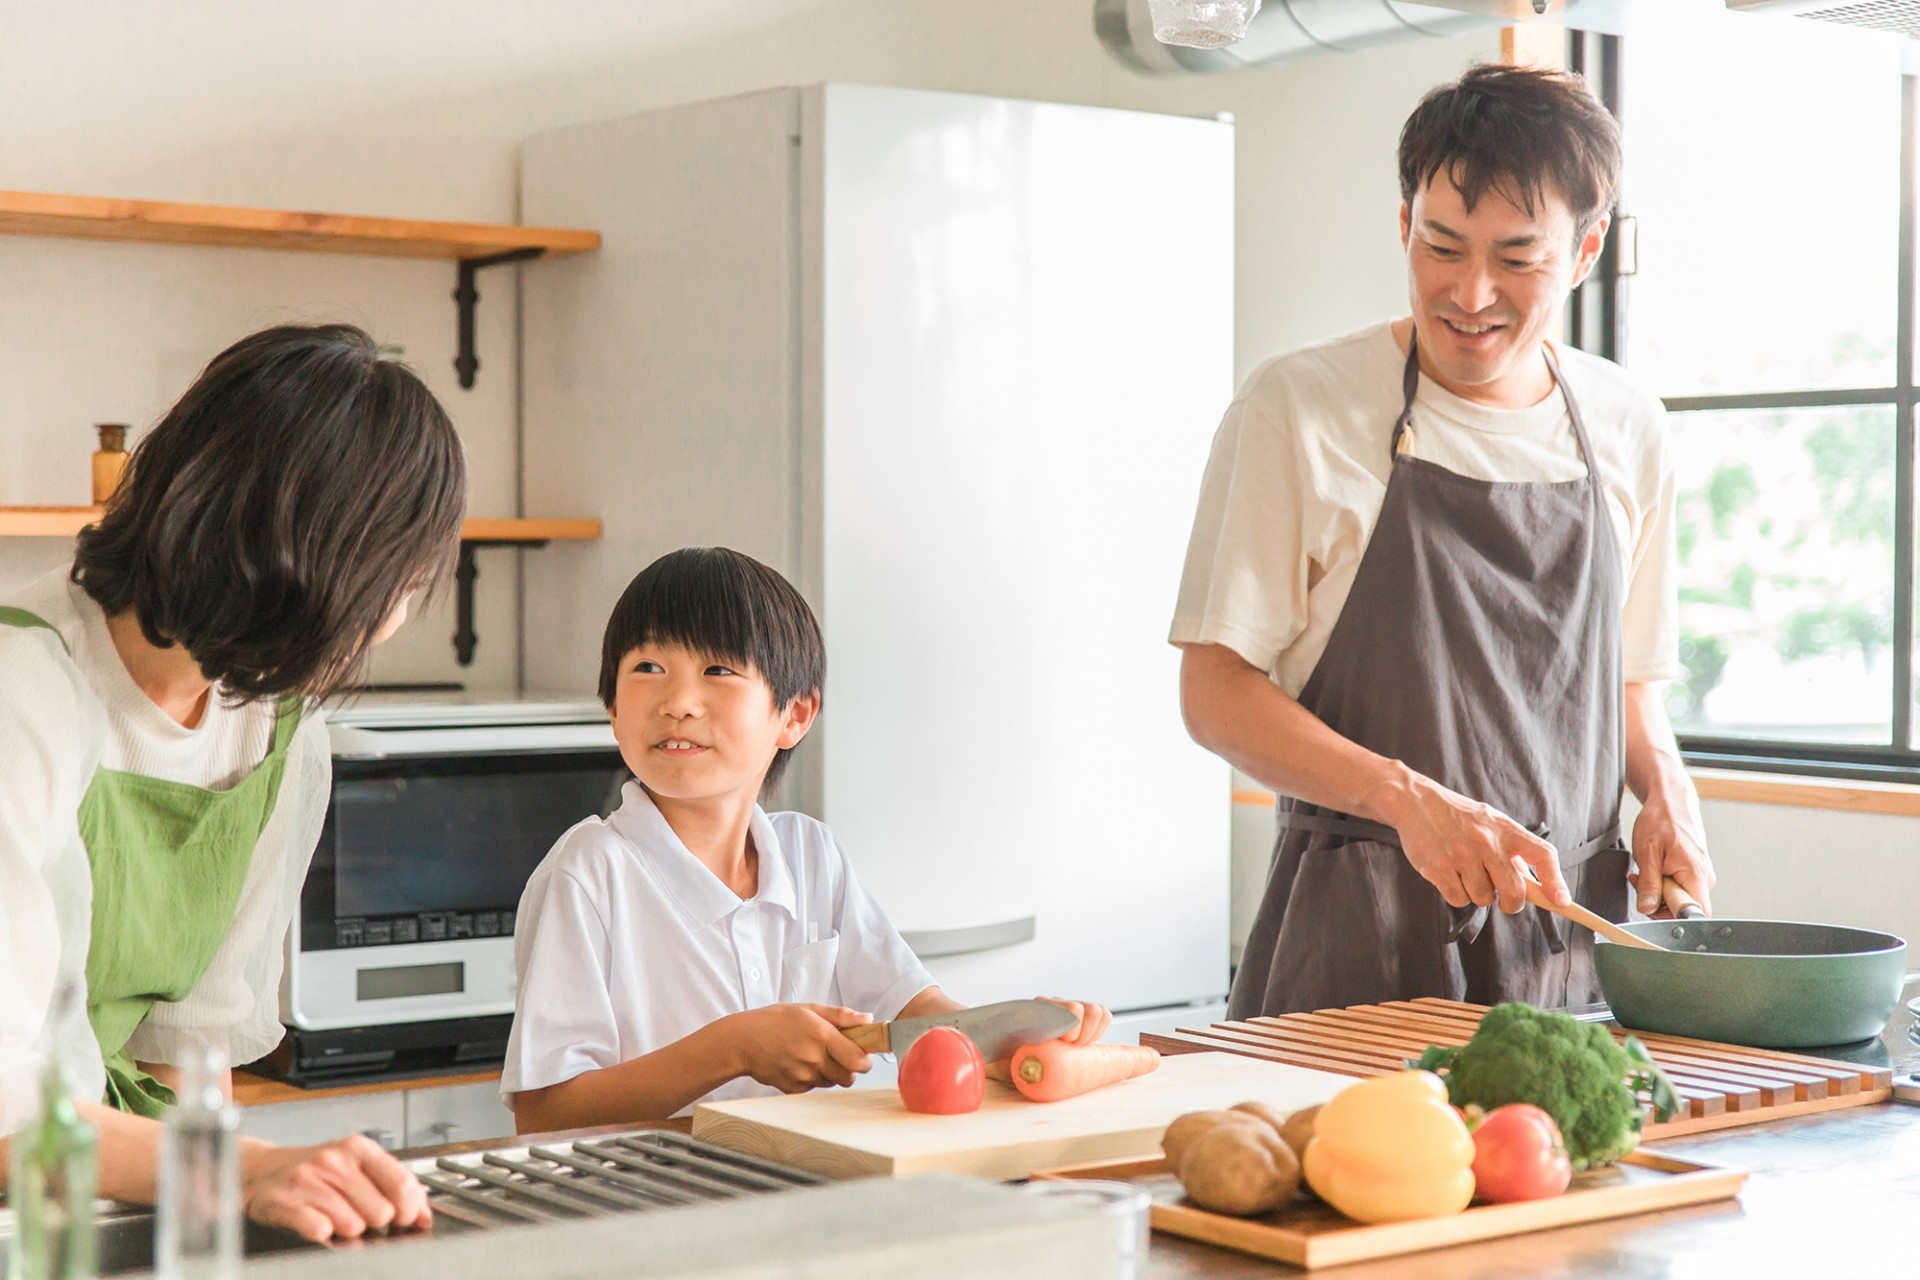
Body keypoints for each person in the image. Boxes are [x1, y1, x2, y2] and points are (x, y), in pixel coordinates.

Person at [1170, 64, 1715, 1019]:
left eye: (1516, 258)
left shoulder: (1627, 424)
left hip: (1568, 952)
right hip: (1355, 947)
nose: (1469, 292)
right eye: (1441, 246)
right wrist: (1409, 800)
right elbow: (1215, 695)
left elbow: (1627, 681)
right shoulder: (1296, 409)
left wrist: (1666, 790)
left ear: (1586, 249)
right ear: (1403, 225)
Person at [0, 324, 465, 1240]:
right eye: (397, 577)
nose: (397, 615)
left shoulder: (274, 721)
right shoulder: (25, 690)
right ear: (297, 551)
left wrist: (212, 1202)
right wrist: (240, 1172)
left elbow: (184, 1052)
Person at [502, 546, 1110, 1129]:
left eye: (717, 670)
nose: (679, 702)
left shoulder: (812, 855)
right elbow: (545, 1112)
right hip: (651, 1212)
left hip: (799, 1186)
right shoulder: (586, 875)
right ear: (611, 707)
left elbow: (911, 1009)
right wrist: (734, 1047)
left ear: (794, 716)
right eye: (648, 668)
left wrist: (1008, 1039)